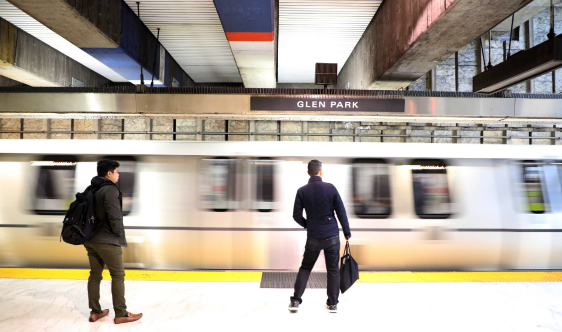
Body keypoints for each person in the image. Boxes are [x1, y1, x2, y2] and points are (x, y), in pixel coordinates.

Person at [289, 160, 351, 313]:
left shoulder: (302, 191)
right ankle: (332, 303)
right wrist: (347, 232)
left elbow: (296, 215)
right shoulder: (331, 188)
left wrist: (308, 225)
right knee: (333, 270)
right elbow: (341, 212)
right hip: (331, 236)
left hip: (313, 236)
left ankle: (295, 301)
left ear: (308, 173)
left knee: (305, 268)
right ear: (321, 172)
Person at [85, 159, 143, 324]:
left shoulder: (92, 188)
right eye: (117, 172)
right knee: (118, 275)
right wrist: (119, 236)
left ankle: (95, 312)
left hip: (91, 239)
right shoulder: (109, 190)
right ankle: (121, 313)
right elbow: (115, 216)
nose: (118, 175)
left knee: (95, 275)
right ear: (109, 173)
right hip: (108, 240)